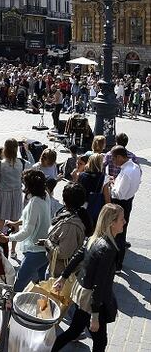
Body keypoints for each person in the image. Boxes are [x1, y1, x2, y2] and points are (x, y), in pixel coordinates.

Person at [51, 204, 125, 352]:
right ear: (111, 222)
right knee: (100, 342)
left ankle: (50, 349)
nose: (125, 222)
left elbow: (77, 256)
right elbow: (100, 284)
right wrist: (95, 315)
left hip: (83, 292)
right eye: (122, 219)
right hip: (93, 300)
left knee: (74, 330)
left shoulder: (94, 238)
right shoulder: (108, 249)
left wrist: (63, 277)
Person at [0, 169, 52, 292]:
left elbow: (27, 231)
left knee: (20, 280)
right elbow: (34, 219)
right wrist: (17, 223)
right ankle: (41, 303)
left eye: (25, 183)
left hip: (36, 250)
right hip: (45, 249)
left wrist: (8, 238)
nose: (23, 185)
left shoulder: (34, 203)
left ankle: (11, 305)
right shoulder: (45, 195)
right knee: (41, 281)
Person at [43, 182, 92, 277]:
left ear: (64, 199)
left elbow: (63, 253)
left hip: (61, 273)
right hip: (60, 269)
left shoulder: (70, 225)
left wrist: (47, 243)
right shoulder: (73, 214)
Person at [106, 145, 140, 271]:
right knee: (122, 231)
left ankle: (117, 264)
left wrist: (110, 186)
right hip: (128, 201)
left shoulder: (126, 172)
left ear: (120, 157)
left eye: (114, 159)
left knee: (117, 234)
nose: (113, 162)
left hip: (120, 204)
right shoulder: (134, 167)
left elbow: (118, 194)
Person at [0, 139, 28, 258]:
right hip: (16, 195)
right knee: (15, 223)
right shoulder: (22, 162)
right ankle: (13, 250)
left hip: (3, 195)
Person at [77, 153, 110, 224]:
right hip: (96, 208)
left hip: (82, 206)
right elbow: (107, 198)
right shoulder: (104, 178)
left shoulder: (81, 175)